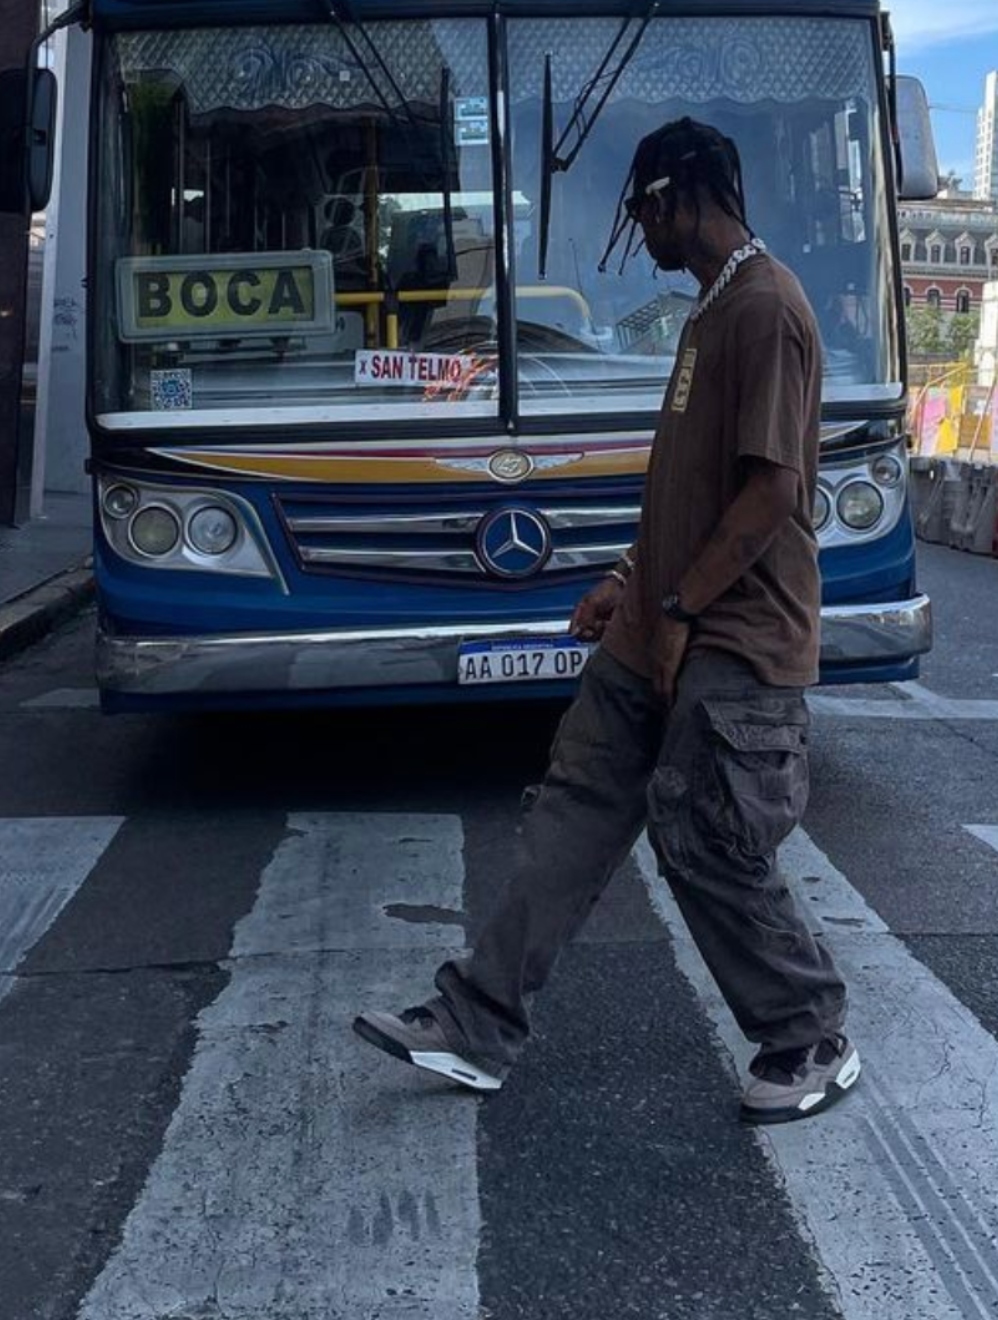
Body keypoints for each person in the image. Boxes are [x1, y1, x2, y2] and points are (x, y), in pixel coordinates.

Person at [355, 118, 856, 1126]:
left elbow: (767, 497)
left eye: (641, 208)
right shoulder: (710, 310)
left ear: (682, 195)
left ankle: (807, 1032)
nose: (637, 229)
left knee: (704, 830)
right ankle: (476, 1023)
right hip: (659, 622)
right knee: (573, 809)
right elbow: (691, 487)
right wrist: (632, 581)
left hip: (735, 635)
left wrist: (677, 607)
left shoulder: (767, 310)